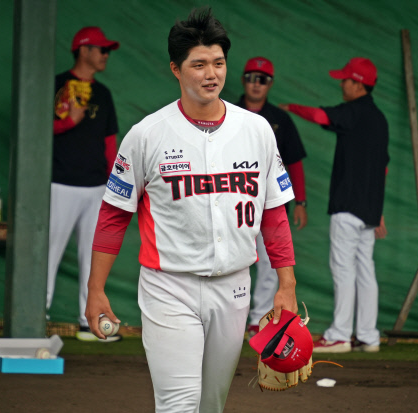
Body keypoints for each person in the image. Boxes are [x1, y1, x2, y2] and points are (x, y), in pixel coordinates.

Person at [85, 7, 299, 412]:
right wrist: (96, 289)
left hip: (234, 286)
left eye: (218, 63)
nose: (211, 74)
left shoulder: (256, 131)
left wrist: (286, 284)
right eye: (198, 64)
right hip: (169, 286)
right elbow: (114, 215)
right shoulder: (146, 135)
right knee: (178, 403)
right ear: (176, 69)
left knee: (211, 404)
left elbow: (273, 213)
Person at [280, 57, 389, 353]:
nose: (341, 84)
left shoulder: (353, 111)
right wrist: (377, 209)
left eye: (345, 79)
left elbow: (320, 116)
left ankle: (340, 335)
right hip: (368, 211)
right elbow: (383, 167)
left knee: (344, 270)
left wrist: (292, 108)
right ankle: (368, 336)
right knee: (365, 271)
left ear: (358, 84)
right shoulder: (379, 119)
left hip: (347, 207)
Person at [47, 26, 121, 342]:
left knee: (94, 258)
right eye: (101, 49)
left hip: (96, 187)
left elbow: (110, 143)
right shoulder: (55, 84)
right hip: (60, 184)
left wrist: (114, 186)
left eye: (107, 51)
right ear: (84, 50)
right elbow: (34, 129)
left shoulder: (103, 93)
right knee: (48, 253)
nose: (105, 55)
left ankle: (89, 322)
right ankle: (33, 317)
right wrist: (68, 122)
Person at [235, 57, 308, 338]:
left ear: (270, 84)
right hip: (234, 201)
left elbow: (295, 162)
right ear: (243, 80)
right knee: (233, 260)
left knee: (269, 263)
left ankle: (259, 319)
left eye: (262, 79)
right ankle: (233, 319)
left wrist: (300, 202)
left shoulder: (280, 119)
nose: (256, 84)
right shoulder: (226, 111)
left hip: (270, 203)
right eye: (251, 78)